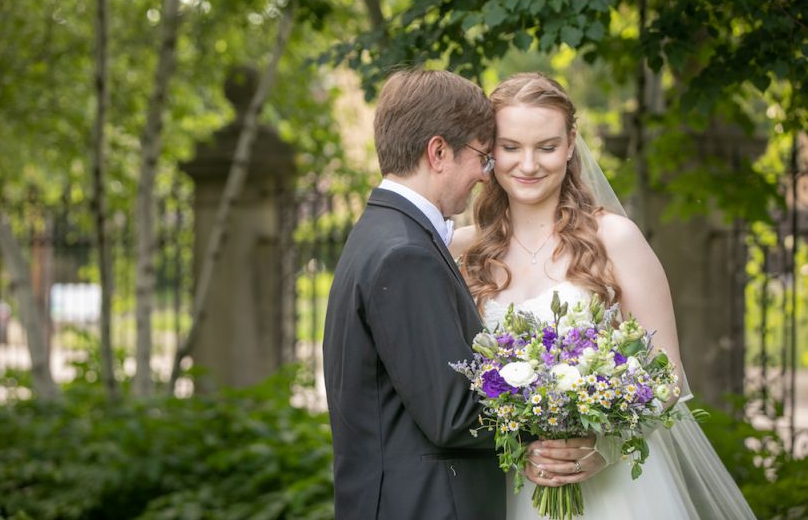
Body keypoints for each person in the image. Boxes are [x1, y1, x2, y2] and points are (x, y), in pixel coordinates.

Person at [449, 71, 758, 519]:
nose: (528, 164)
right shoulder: (462, 250)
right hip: (505, 483)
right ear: (489, 149)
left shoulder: (616, 239)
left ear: (571, 143)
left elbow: (666, 374)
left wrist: (604, 448)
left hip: (613, 490)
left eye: (547, 147)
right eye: (511, 147)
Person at [323, 68, 511, 520]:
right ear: (439, 151)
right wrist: (555, 396)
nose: (486, 176)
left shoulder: (383, 232)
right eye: (482, 157)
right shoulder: (405, 255)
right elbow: (454, 415)